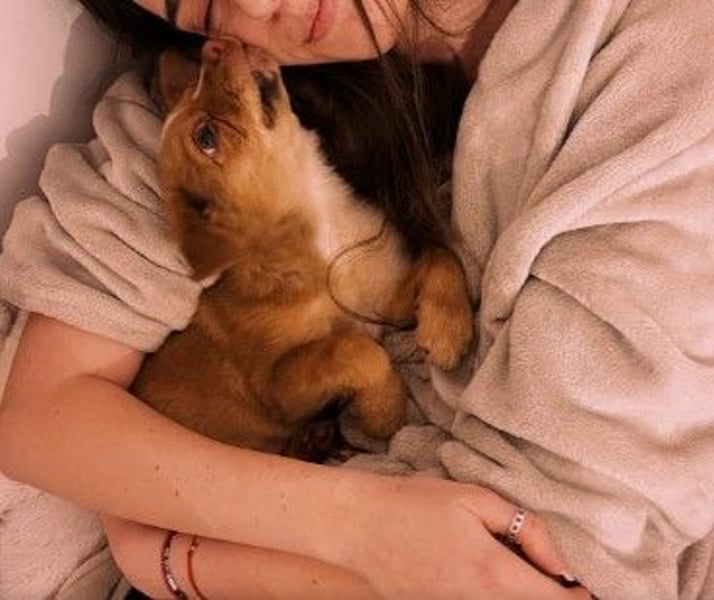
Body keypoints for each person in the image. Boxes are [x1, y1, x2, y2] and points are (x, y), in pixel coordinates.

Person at [0, 1, 712, 599]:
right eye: (207, 9)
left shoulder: (663, 60)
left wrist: (172, 559)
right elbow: (41, 414)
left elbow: (554, 564)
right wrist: (357, 523)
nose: (256, 8)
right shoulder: (218, 103)